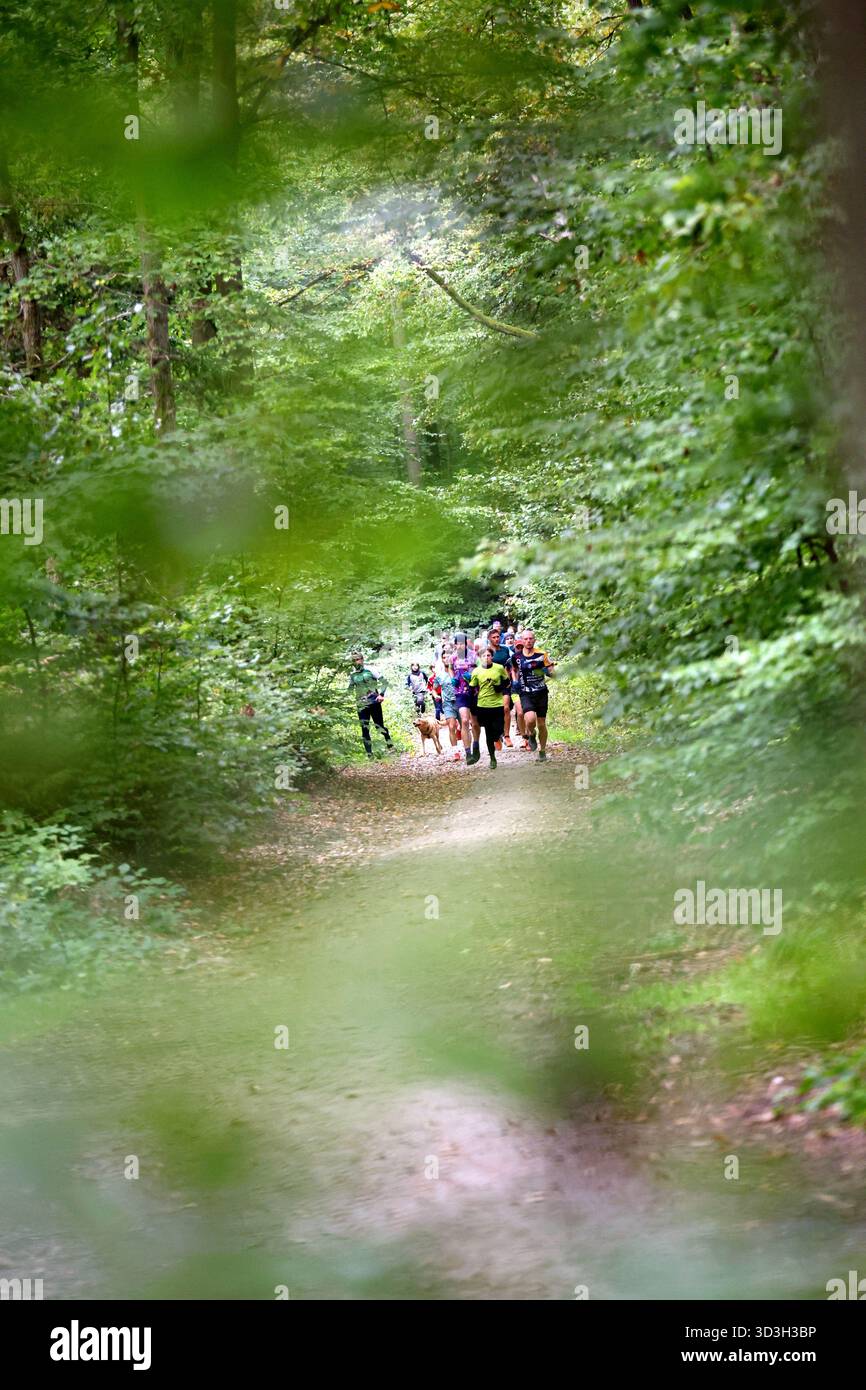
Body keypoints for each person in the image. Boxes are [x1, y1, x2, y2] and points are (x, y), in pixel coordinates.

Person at [514, 629, 555, 760]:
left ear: (534, 640)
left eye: (530, 638)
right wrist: (515, 681)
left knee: (542, 723)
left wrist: (548, 672)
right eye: (525, 639)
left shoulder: (542, 654)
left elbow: (552, 672)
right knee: (530, 720)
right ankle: (531, 733)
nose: (528, 641)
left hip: (541, 692)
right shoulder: (517, 657)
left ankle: (542, 751)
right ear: (522, 640)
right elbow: (512, 669)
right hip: (526, 693)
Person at [468, 649, 510, 768]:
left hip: (497, 704)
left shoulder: (499, 668)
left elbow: (507, 682)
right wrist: (472, 707)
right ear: (480, 658)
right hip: (483, 705)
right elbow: (472, 689)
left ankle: (498, 737)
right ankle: (492, 758)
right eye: (484, 655)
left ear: (492, 657)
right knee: (488, 733)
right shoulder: (476, 671)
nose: (486, 657)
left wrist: (499, 688)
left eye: (489, 655)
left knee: (497, 729)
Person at [348, 651, 394, 758]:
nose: (356, 662)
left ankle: (390, 744)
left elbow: (384, 682)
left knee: (379, 726)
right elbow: (349, 689)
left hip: (374, 702)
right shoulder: (352, 675)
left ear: (362, 659)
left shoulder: (370, 669)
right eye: (354, 660)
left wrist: (381, 694)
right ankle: (370, 755)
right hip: (361, 705)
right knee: (365, 729)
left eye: (358, 659)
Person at [452, 631, 480, 763]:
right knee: (464, 721)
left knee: (475, 723)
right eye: (457, 644)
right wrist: (453, 679)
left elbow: (481, 670)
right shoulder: (452, 658)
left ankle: (476, 744)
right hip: (460, 693)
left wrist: (473, 675)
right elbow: (450, 670)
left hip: (474, 691)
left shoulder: (474, 656)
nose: (460, 646)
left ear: (466, 643)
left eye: (462, 644)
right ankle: (467, 752)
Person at [488, 624, 514, 749]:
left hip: (505, 683)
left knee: (506, 708)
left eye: (498, 636)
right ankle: (497, 736)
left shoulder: (505, 649)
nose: (497, 639)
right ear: (489, 639)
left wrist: (511, 677)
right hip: (491, 684)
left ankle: (507, 735)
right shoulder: (487, 652)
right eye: (494, 637)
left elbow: (511, 664)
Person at [434, 652, 462, 759]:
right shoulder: (440, 676)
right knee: (451, 726)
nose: (446, 659)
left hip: (460, 701)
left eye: (448, 657)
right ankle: (456, 752)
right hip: (448, 703)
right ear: (441, 660)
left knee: (464, 725)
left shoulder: (458, 671)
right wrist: (436, 695)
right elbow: (434, 689)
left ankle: (468, 748)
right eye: (443, 657)